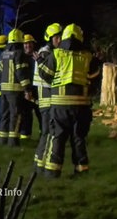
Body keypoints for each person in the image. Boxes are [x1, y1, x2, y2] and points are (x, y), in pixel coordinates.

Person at [38, 24, 100, 178]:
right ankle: (82, 170)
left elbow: (44, 73)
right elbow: (94, 77)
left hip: (60, 107)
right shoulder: (88, 57)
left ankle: (52, 172)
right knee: (79, 139)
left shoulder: (57, 54)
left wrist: (42, 64)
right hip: (81, 106)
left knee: (57, 138)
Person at [32, 23, 62, 173]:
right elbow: (49, 76)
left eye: (60, 37)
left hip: (46, 99)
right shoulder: (46, 54)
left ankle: (39, 163)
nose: (60, 40)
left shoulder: (45, 52)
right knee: (48, 132)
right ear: (50, 39)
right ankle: (40, 164)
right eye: (57, 37)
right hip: (47, 99)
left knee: (47, 132)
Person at [0, 28, 34, 147]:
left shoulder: (3, 54)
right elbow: (21, 73)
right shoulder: (19, 54)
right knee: (16, 115)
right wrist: (27, 88)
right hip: (15, 90)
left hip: (4, 89)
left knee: (5, 114)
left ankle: (3, 140)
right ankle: (13, 142)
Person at [20, 34, 39, 140]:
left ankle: (43, 134)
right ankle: (25, 137)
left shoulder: (37, 56)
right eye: (26, 43)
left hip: (37, 90)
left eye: (30, 43)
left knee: (40, 114)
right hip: (25, 92)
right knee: (26, 115)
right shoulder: (20, 58)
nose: (28, 45)